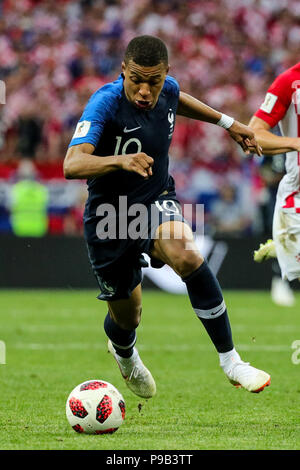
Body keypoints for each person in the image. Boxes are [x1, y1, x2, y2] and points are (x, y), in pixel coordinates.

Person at [64, 35, 270, 399]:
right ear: (123, 71)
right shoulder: (105, 103)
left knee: (187, 254)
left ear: (165, 75)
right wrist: (119, 160)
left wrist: (229, 123)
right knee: (129, 317)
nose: (145, 91)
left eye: (154, 82)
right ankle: (125, 354)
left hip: (155, 198)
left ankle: (231, 361)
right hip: (109, 215)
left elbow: (176, 99)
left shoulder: (167, 89)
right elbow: (72, 163)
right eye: (137, 80)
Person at [249, 61, 300, 306]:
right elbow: (253, 135)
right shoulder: (289, 82)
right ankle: (281, 266)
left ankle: (284, 248)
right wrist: (295, 143)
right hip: (291, 194)